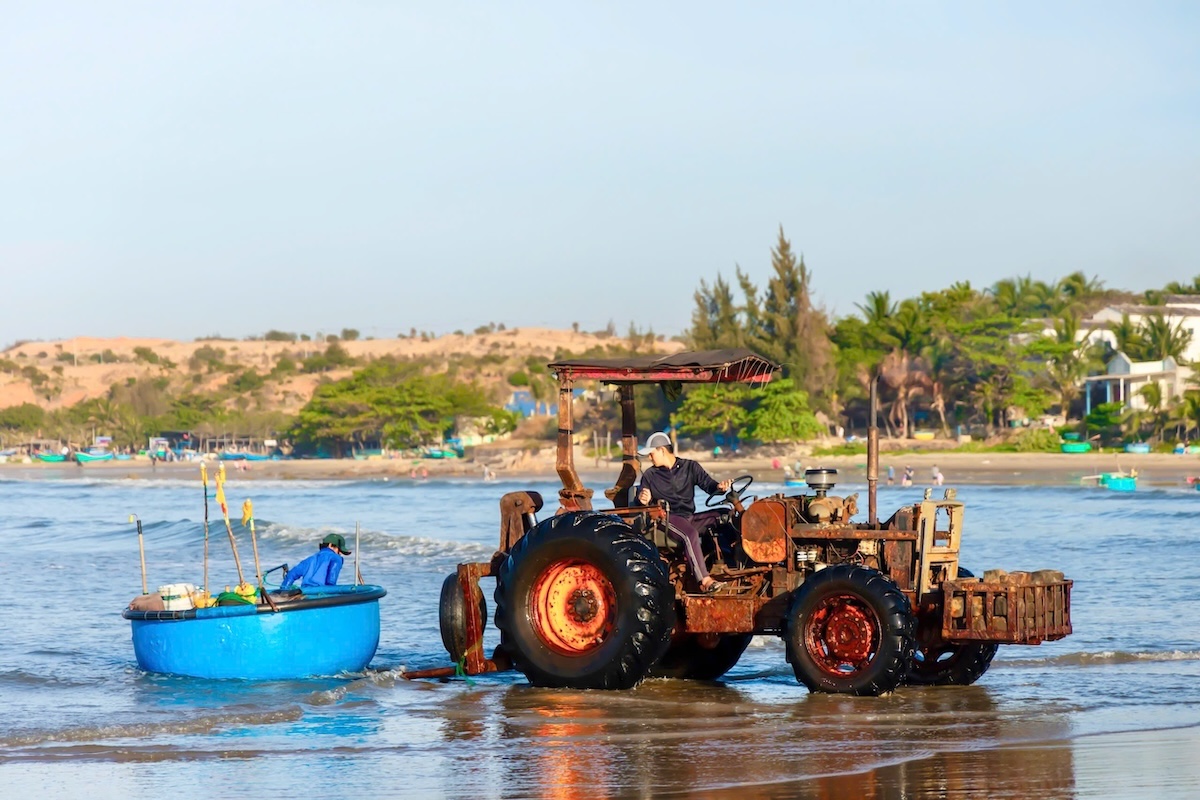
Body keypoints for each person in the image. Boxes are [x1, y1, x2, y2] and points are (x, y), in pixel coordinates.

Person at [634, 431, 732, 593]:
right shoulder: (650, 475)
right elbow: (643, 497)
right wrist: (643, 498)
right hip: (666, 518)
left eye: (651, 454)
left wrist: (719, 488)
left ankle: (730, 563)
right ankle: (705, 581)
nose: (650, 458)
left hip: (689, 517)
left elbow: (709, 485)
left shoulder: (690, 467)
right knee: (690, 534)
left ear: (662, 450)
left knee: (725, 515)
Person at [281, 533, 351, 589]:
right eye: (339, 550)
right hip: (320, 594)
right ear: (330, 545)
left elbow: (291, 575)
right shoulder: (336, 558)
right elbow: (331, 581)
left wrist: (283, 592)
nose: (340, 553)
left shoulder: (309, 559)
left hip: (305, 593)